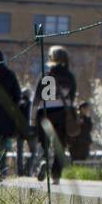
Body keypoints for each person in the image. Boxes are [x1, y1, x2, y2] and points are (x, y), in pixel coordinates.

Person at [30, 45, 78, 183]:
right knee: (60, 145)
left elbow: (36, 98)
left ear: (51, 58)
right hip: (62, 113)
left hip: (44, 112)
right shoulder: (69, 77)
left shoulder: (46, 75)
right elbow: (71, 98)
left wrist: (32, 119)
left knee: (43, 141)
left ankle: (44, 159)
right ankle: (56, 175)